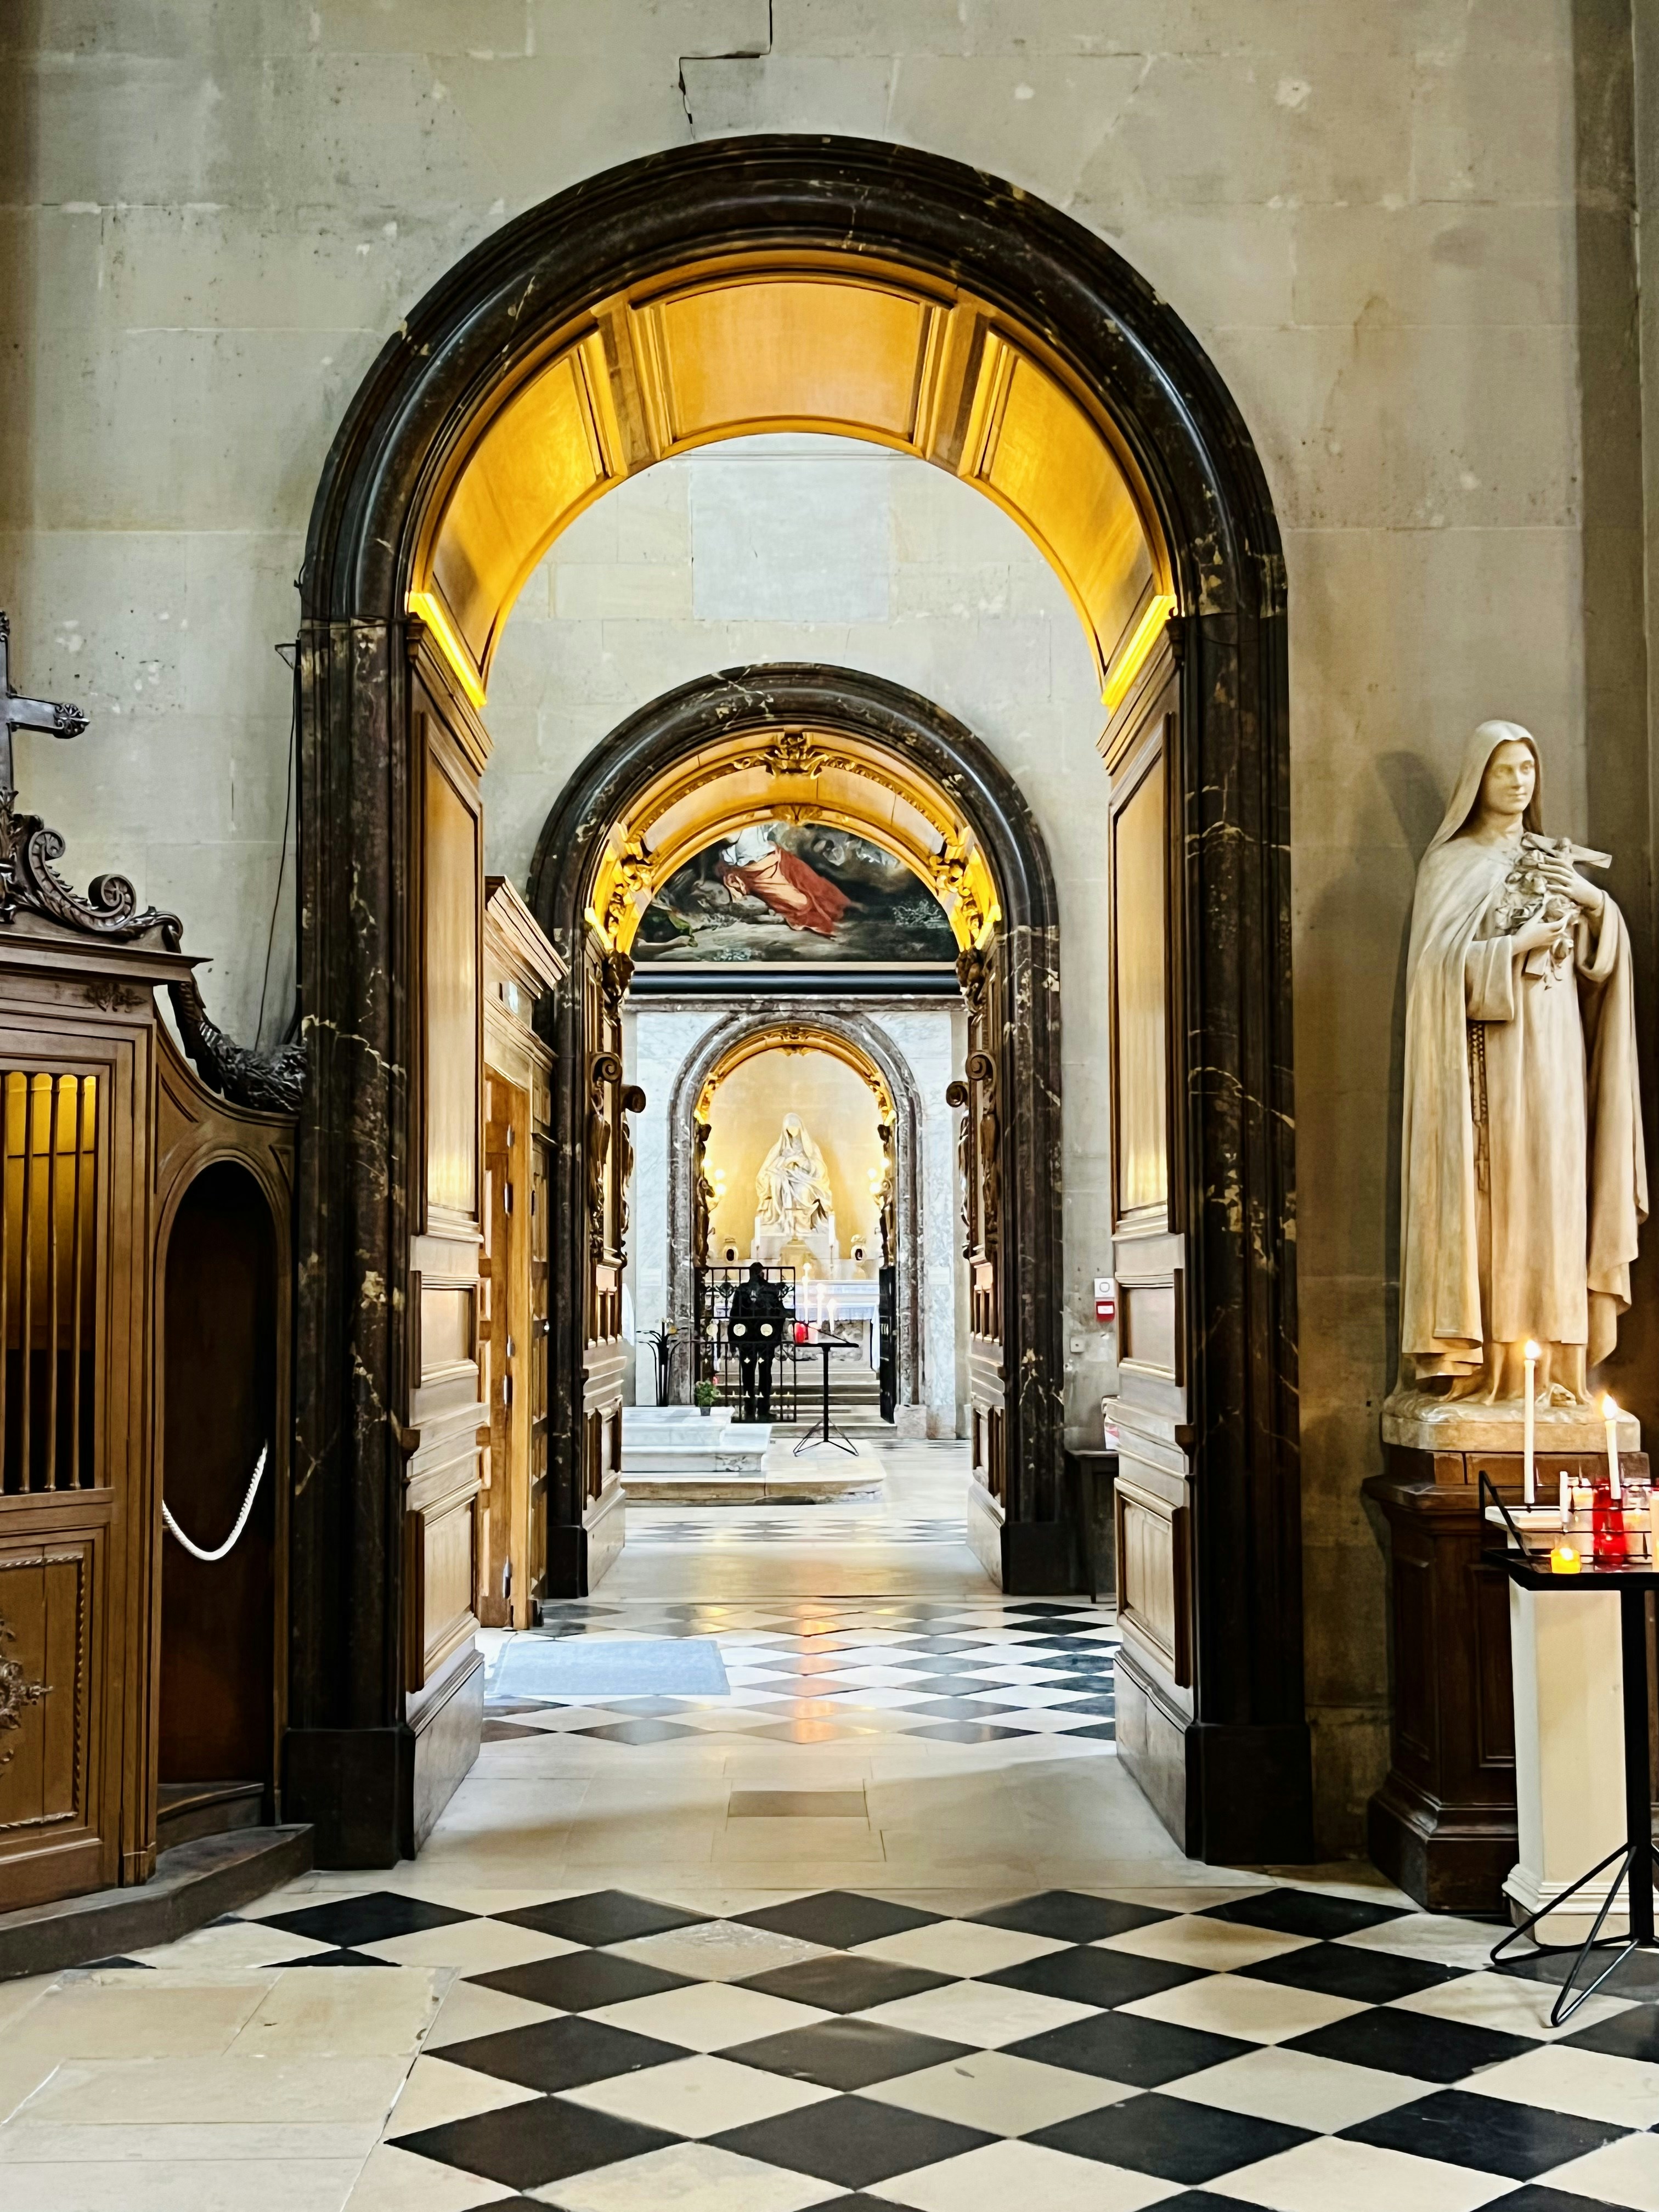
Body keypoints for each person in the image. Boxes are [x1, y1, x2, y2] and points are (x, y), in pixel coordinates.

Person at [1397, 720, 1646, 1406]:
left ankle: (1559, 1364)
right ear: (1478, 779)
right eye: (1505, 769)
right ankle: (1498, 1362)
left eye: (1528, 769)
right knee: (1502, 1194)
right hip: (1492, 1060)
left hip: (1558, 1041)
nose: (1518, 782)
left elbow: (1605, 960)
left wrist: (1593, 904)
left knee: (1559, 1184)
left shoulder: (1552, 856)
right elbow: (1435, 975)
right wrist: (1515, 945)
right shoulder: (1451, 863)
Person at [727, 1262, 787, 1420]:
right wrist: (776, 1336)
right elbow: (779, 1314)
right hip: (760, 1338)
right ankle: (756, 1409)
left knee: (758, 1374)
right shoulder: (767, 1289)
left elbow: (734, 1315)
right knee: (757, 1374)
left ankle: (755, 1409)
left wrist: (733, 1340)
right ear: (762, 1273)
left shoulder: (746, 1290)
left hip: (753, 1338)